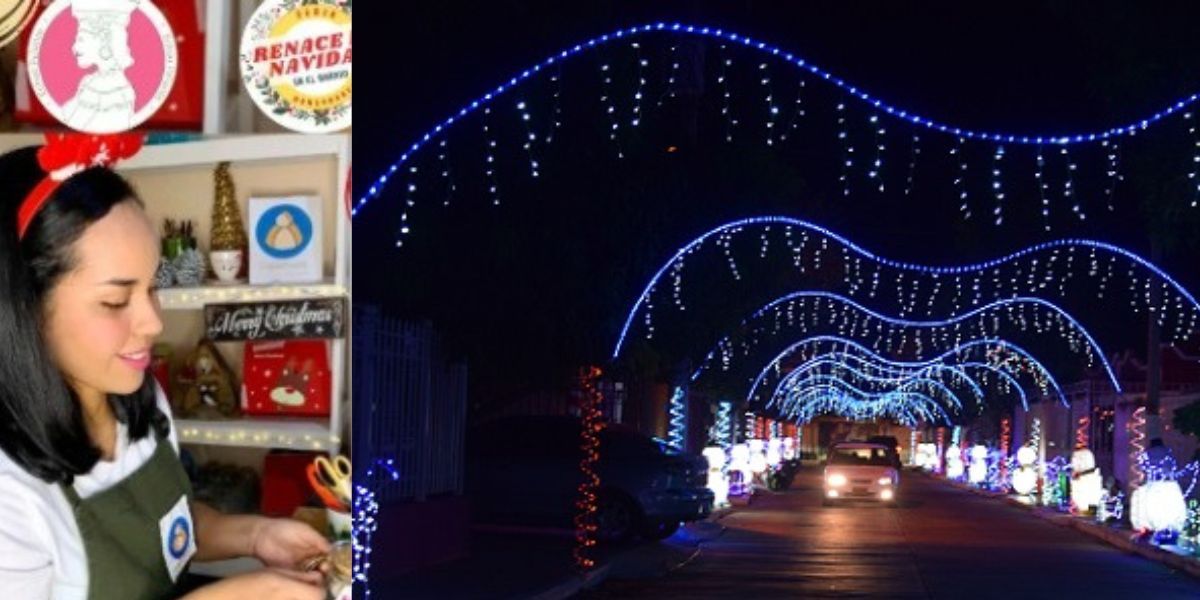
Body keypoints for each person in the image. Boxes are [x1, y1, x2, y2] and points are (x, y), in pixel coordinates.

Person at [0, 134, 328, 599]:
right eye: (115, 301)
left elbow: (168, 525)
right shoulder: (10, 495)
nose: (154, 322)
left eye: (153, 287)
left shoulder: (139, 400)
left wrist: (254, 535)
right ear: (25, 308)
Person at [61, 0, 138, 133]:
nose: (74, 47)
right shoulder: (89, 81)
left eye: (81, 39)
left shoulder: (116, 91)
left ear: (104, 42)